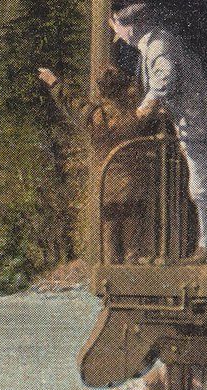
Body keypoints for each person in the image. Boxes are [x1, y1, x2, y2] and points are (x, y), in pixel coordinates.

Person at [110, 3, 207, 260]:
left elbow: (165, 80)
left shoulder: (158, 45)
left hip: (200, 119)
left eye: (116, 27)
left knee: (201, 186)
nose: (116, 34)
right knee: (199, 184)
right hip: (192, 119)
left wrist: (143, 109)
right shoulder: (152, 45)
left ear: (131, 26)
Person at [37, 64, 157, 262]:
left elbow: (71, 101)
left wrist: (54, 83)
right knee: (132, 241)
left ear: (102, 91)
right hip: (132, 186)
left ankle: (110, 274)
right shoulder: (136, 116)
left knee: (109, 237)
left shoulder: (95, 116)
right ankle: (132, 269)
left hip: (107, 186)